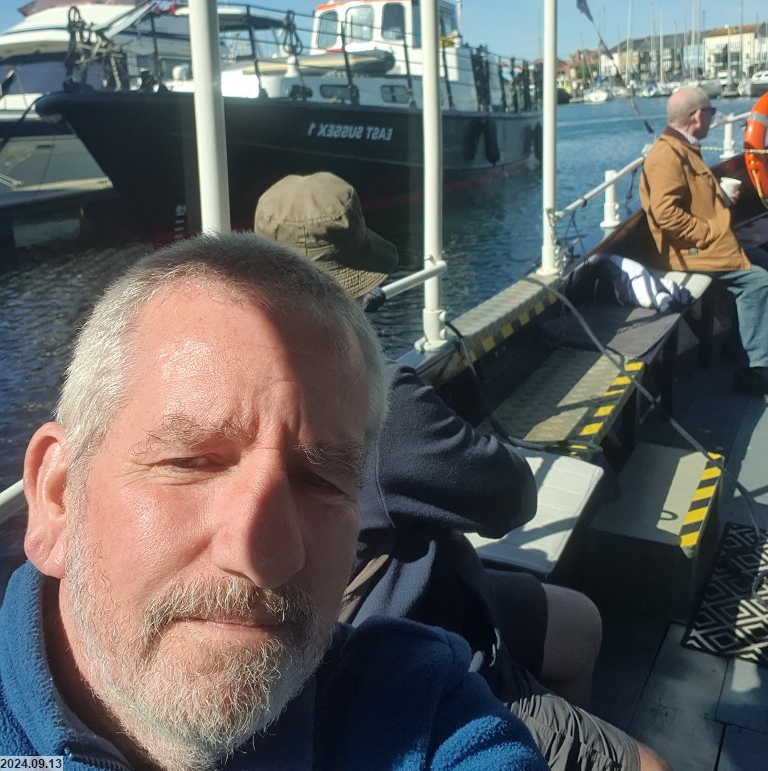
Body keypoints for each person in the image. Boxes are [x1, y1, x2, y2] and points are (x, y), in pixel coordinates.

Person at [3, 232, 548, 771]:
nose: (262, 554)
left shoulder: (419, 708)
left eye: (320, 482)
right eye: (190, 462)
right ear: (57, 497)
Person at [255, 172, 672, 771]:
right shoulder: (379, 402)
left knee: (579, 622)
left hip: (358, 617)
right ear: (354, 295)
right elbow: (512, 499)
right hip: (398, 644)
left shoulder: (246, 389)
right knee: (649, 765)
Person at [640, 84, 768, 396]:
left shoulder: (683, 148)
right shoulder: (666, 155)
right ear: (698, 116)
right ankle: (755, 369)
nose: (712, 119)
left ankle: (738, 349)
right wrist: (709, 233)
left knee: (763, 260)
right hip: (687, 253)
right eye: (711, 113)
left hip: (701, 246)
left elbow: (690, 199)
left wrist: (721, 198)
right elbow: (666, 214)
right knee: (758, 281)